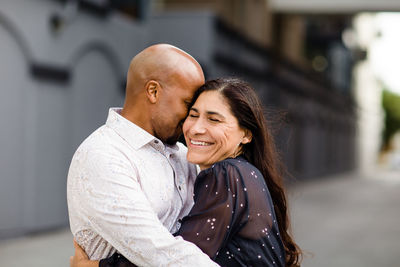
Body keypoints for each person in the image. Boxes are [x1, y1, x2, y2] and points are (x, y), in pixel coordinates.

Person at [71, 78, 302, 267]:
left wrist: (96, 266)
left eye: (214, 119)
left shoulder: (227, 174)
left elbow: (179, 257)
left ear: (246, 135)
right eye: (192, 115)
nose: (196, 128)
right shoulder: (245, 173)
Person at [67, 44, 219, 266]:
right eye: (188, 105)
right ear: (153, 91)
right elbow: (158, 252)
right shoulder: (103, 155)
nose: (192, 120)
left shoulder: (186, 155)